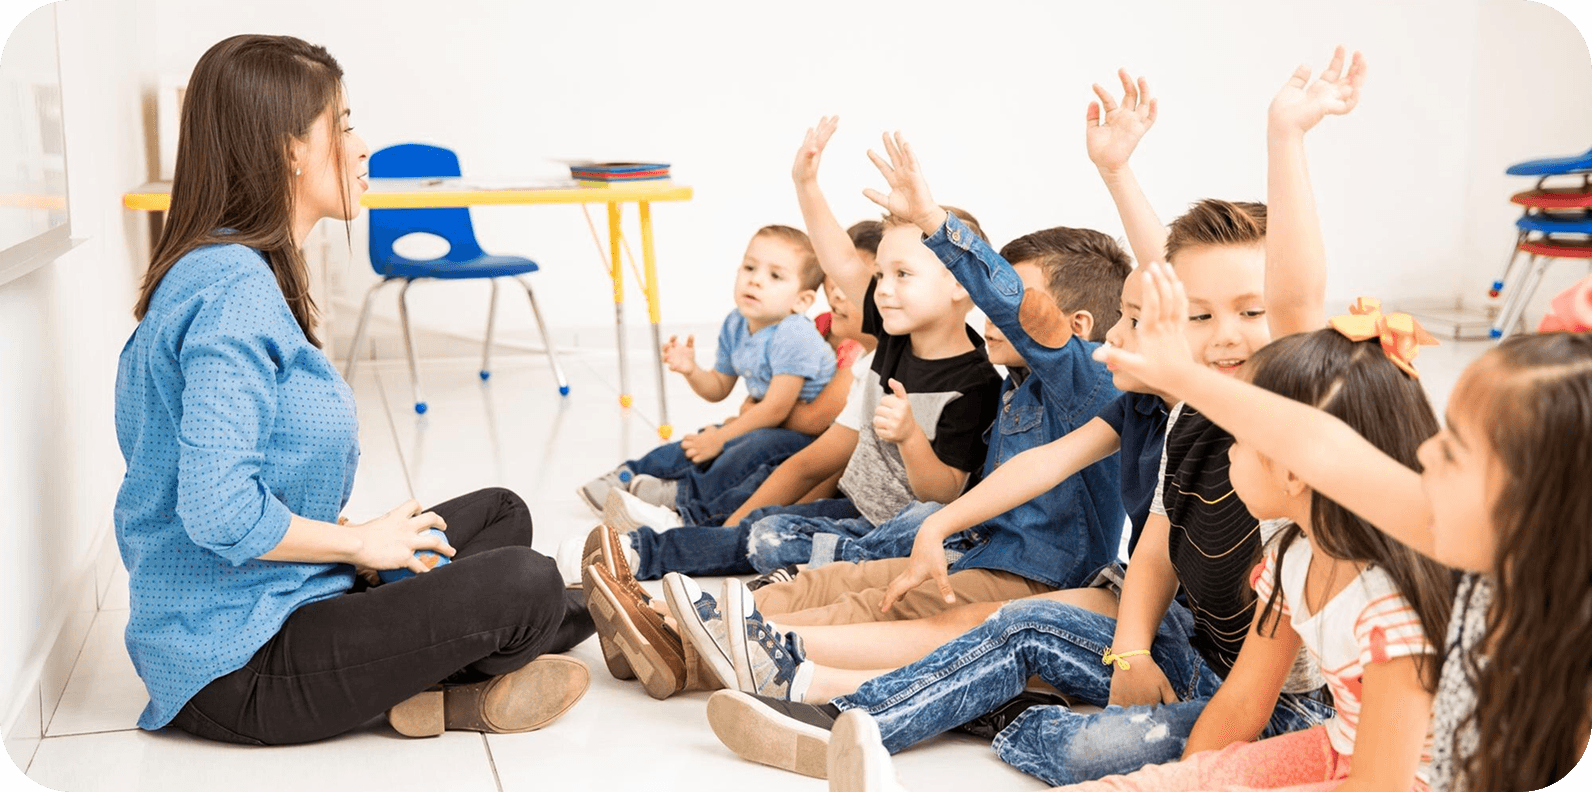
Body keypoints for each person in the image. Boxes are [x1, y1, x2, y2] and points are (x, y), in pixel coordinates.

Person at [696, 48, 1361, 781]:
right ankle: (827, 701)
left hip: (1267, 701)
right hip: (1183, 638)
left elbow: (1291, 302)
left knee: (1047, 738)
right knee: (1005, 621)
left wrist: (1284, 137)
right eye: (1198, 316)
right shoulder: (1185, 416)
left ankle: (961, 695)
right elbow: (1149, 543)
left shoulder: (1284, 422)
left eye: (1251, 313)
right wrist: (1131, 651)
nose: (1224, 334)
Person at [112, 34, 592, 745]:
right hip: (237, 662)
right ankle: (588, 618)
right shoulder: (233, 294)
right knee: (527, 584)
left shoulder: (235, 269)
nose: (362, 146)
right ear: (289, 149)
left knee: (502, 513)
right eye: (341, 125)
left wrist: (354, 547)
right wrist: (360, 543)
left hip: (289, 596)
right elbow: (217, 510)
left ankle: (524, 641)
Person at [578, 225, 837, 520]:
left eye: (775, 276)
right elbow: (718, 387)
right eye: (749, 267)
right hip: (767, 422)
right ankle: (628, 475)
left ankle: (681, 494)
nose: (755, 280)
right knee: (701, 440)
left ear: (802, 301)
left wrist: (721, 438)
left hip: (807, 439)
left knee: (743, 446)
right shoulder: (736, 322)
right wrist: (692, 370)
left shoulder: (795, 333)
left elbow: (777, 409)